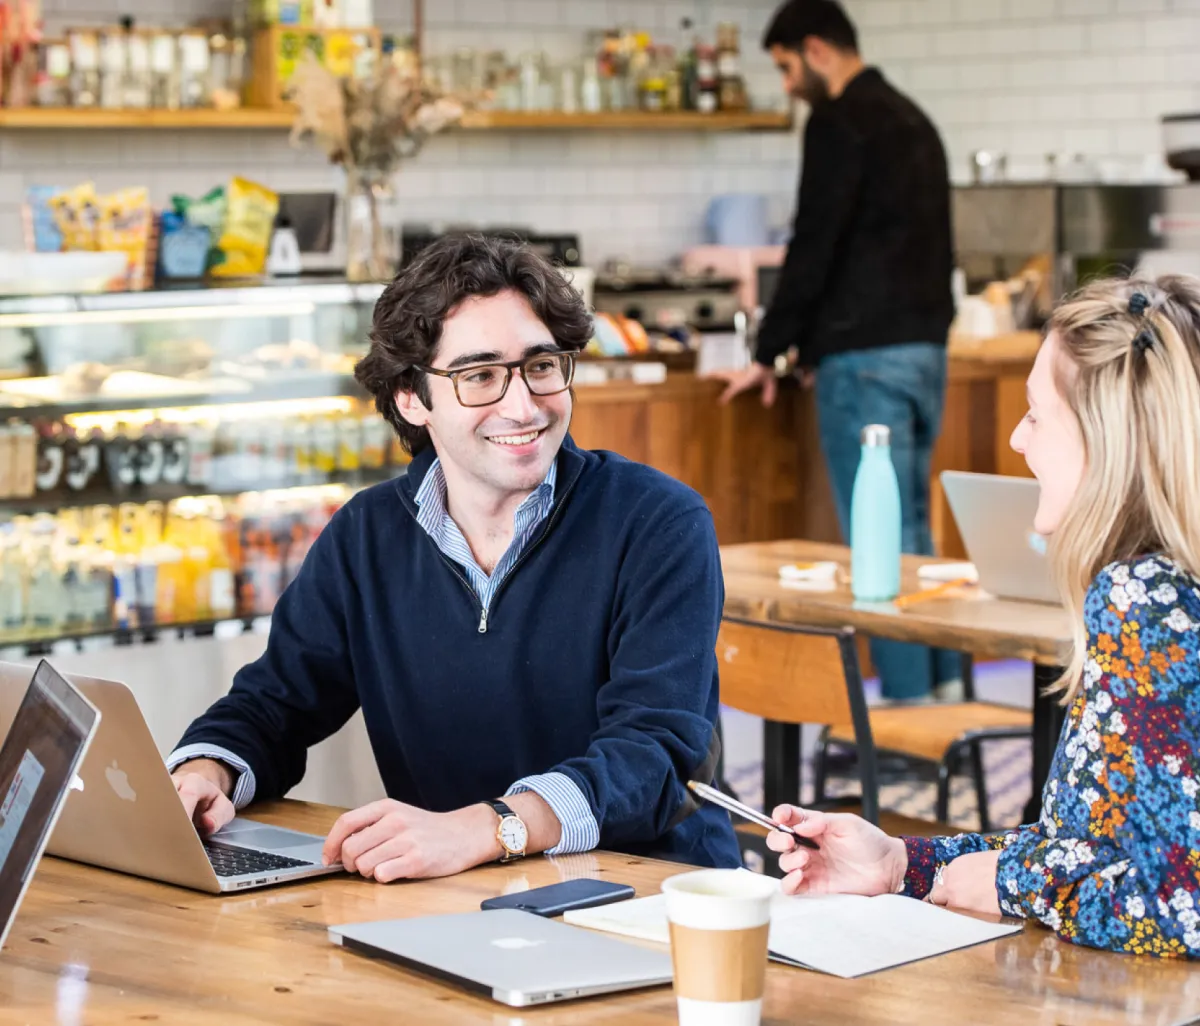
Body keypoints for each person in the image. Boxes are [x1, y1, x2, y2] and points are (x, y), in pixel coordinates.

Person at [167, 234, 741, 880]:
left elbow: (654, 757)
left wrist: (489, 827)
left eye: (541, 365)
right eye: (480, 376)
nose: (522, 406)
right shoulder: (367, 536)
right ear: (411, 397)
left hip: (656, 900)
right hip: (452, 900)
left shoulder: (659, 523)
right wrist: (205, 772)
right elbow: (274, 703)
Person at [767, 274, 1200, 957]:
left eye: (1037, 415)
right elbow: (1090, 850)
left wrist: (1008, 881)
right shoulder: (1155, 587)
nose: (1019, 439)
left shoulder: (1142, 597)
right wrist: (905, 865)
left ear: (1106, 436)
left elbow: (1183, 902)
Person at [713, 0, 957, 701]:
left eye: (787, 67)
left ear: (817, 49)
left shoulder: (838, 121)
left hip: (864, 358)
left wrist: (769, 351)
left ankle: (907, 712)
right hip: (925, 352)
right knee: (915, 531)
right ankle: (945, 698)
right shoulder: (912, 118)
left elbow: (814, 244)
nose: (788, 85)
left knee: (879, 543)